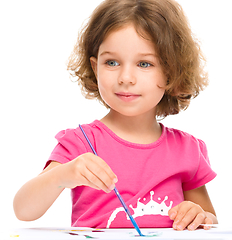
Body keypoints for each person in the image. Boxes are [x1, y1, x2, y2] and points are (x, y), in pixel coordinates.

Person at [14, 0, 218, 231]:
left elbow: (209, 220)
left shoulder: (187, 149)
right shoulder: (80, 143)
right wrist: (62, 175)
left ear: (171, 70)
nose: (126, 77)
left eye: (144, 63)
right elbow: (23, 210)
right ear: (95, 67)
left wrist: (200, 215)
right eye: (112, 62)